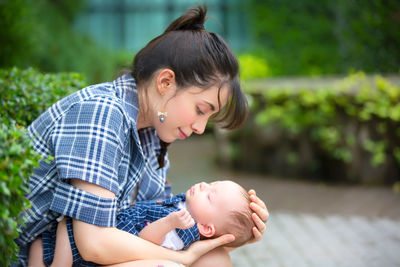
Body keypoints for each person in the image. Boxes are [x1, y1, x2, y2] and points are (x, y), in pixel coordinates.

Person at [15, 5, 269, 267]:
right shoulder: (102, 114)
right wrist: (180, 258)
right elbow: (94, 244)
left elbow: (157, 224)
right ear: (165, 82)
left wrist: (229, 234)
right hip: (41, 258)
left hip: (85, 254)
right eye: (201, 110)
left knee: (215, 258)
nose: (200, 128)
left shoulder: (150, 132)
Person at [34, 180, 255, 267]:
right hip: (104, 231)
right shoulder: (185, 206)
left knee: (64, 227)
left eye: (210, 196)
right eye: (211, 184)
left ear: (207, 228)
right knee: (42, 241)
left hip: (100, 246)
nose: (203, 186)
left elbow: (148, 241)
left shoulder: (182, 229)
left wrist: (169, 223)